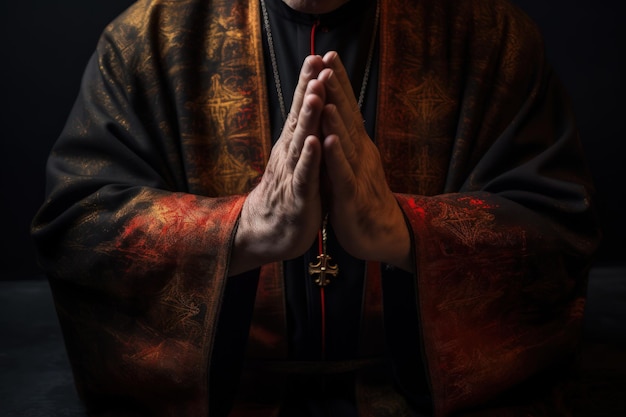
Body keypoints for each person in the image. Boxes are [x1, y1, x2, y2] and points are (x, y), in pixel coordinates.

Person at [31, 0, 600, 415]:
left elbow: (558, 226)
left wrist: (407, 233)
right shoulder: (144, 40)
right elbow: (78, 228)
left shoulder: (494, 39)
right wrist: (240, 233)